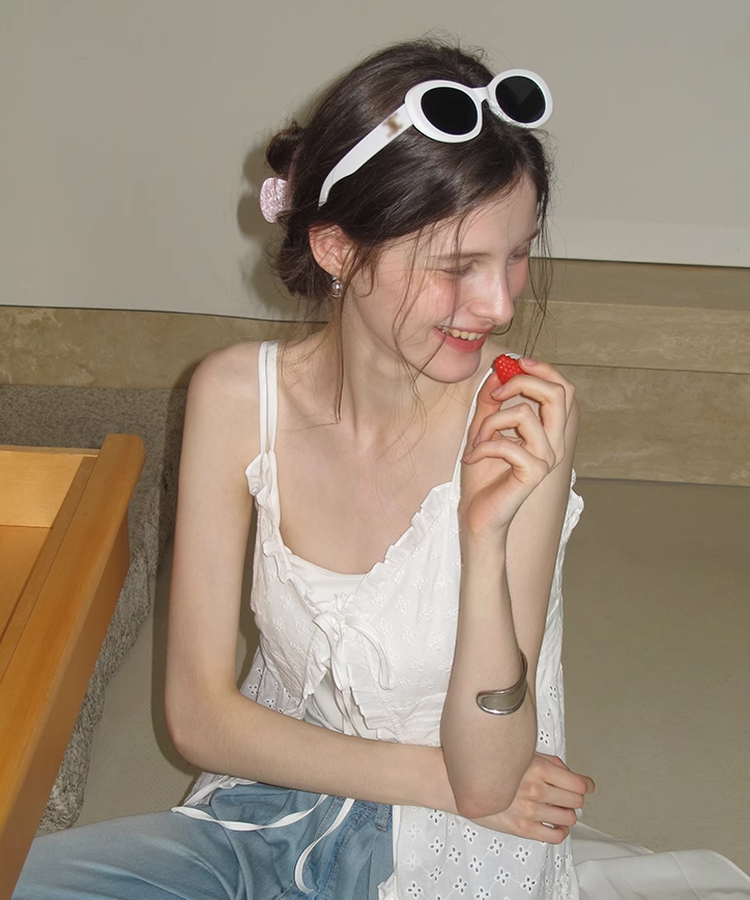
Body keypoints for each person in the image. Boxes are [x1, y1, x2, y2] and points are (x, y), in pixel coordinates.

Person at [14, 38, 750, 900]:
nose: (500, 303)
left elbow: (489, 776)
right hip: (267, 810)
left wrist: (484, 535)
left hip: (445, 854)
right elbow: (199, 718)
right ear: (336, 250)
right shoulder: (235, 398)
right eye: (457, 267)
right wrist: (430, 777)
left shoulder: (521, 421)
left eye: (516, 253)